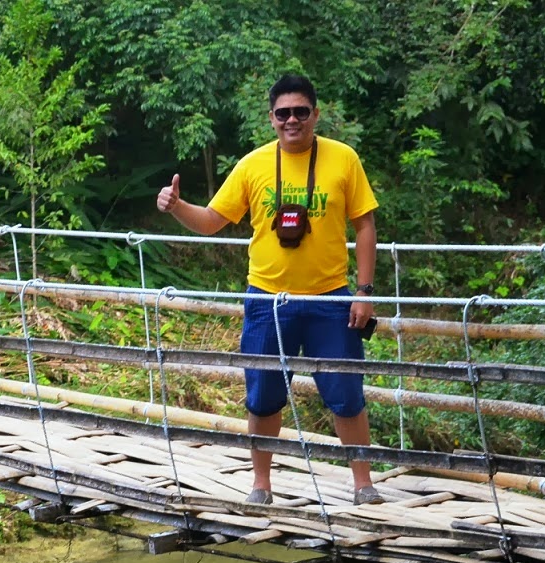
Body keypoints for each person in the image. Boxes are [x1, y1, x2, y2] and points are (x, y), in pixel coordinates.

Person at [156, 74, 382, 506]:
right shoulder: (253, 164)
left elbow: (365, 224)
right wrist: (176, 206)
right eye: (283, 113)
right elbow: (210, 222)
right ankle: (261, 484)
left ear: (316, 114)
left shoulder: (343, 159)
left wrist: (364, 291)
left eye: (301, 112)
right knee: (262, 394)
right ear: (271, 119)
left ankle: (363, 483)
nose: (292, 120)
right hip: (267, 299)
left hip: (330, 297)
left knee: (346, 393)